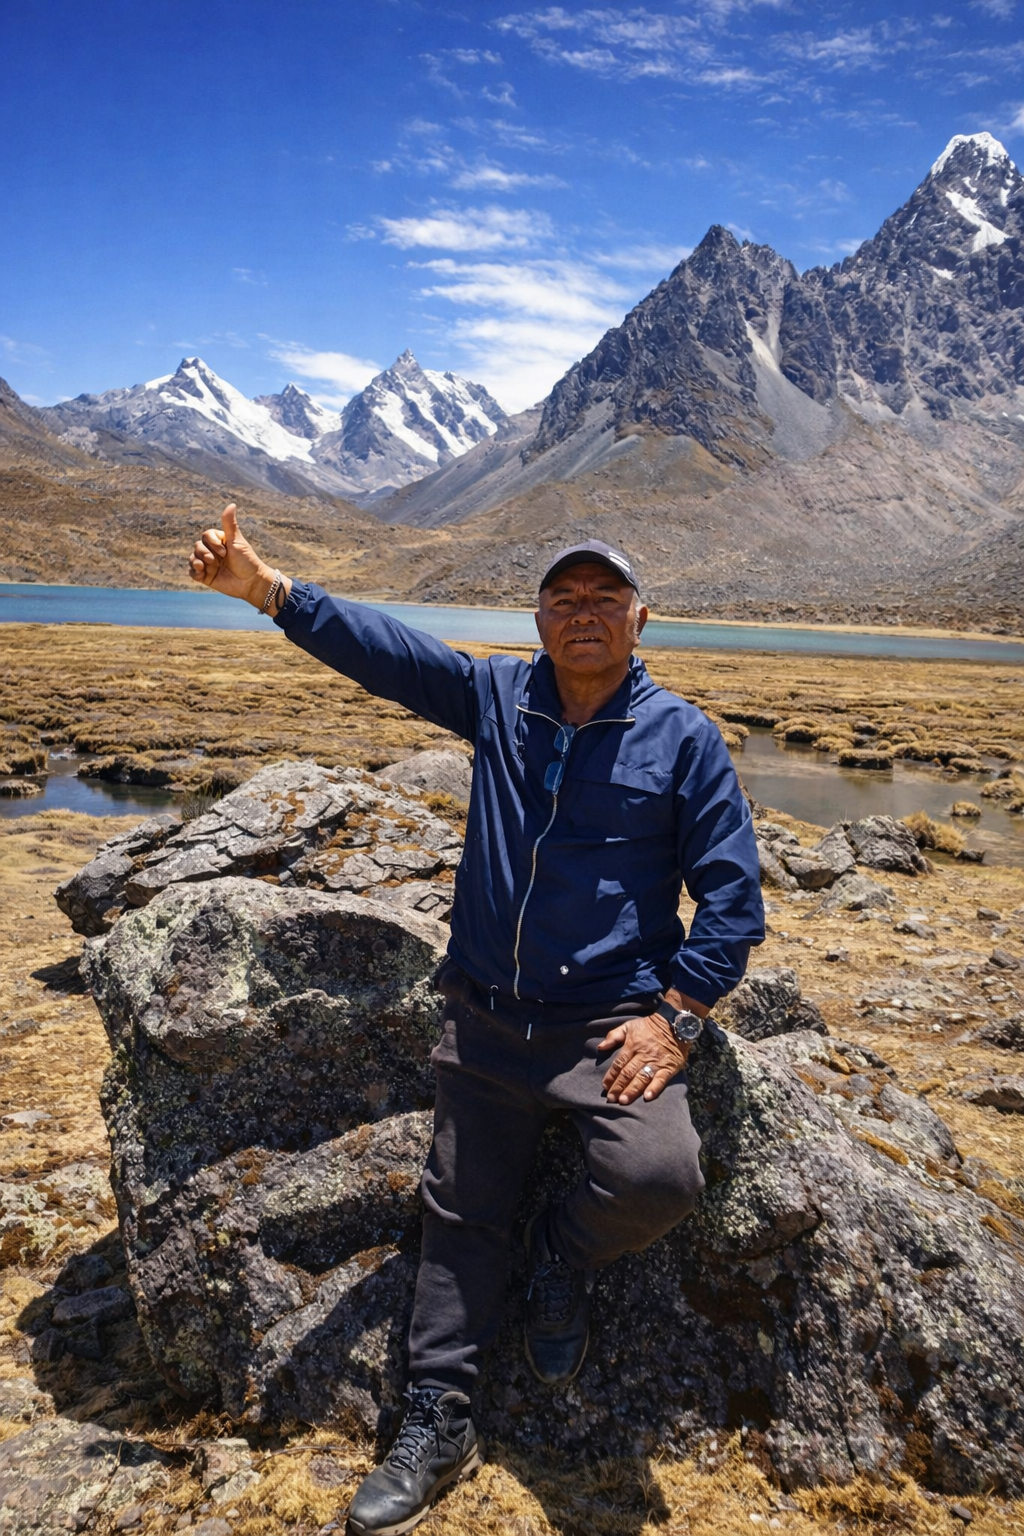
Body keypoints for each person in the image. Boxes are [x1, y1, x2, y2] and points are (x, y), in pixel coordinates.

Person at [189, 505, 765, 1536]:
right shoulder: (497, 697)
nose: (581, 613)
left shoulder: (685, 742)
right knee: (458, 1222)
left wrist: (676, 1019)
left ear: (642, 619)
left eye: (602, 598)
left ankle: (561, 1258)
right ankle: (438, 1419)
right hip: (487, 1022)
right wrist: (268, 589)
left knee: (659, 1178)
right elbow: (388, 653)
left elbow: (732, 900)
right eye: (561, 597)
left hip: (608, 1023)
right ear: (537, 617)